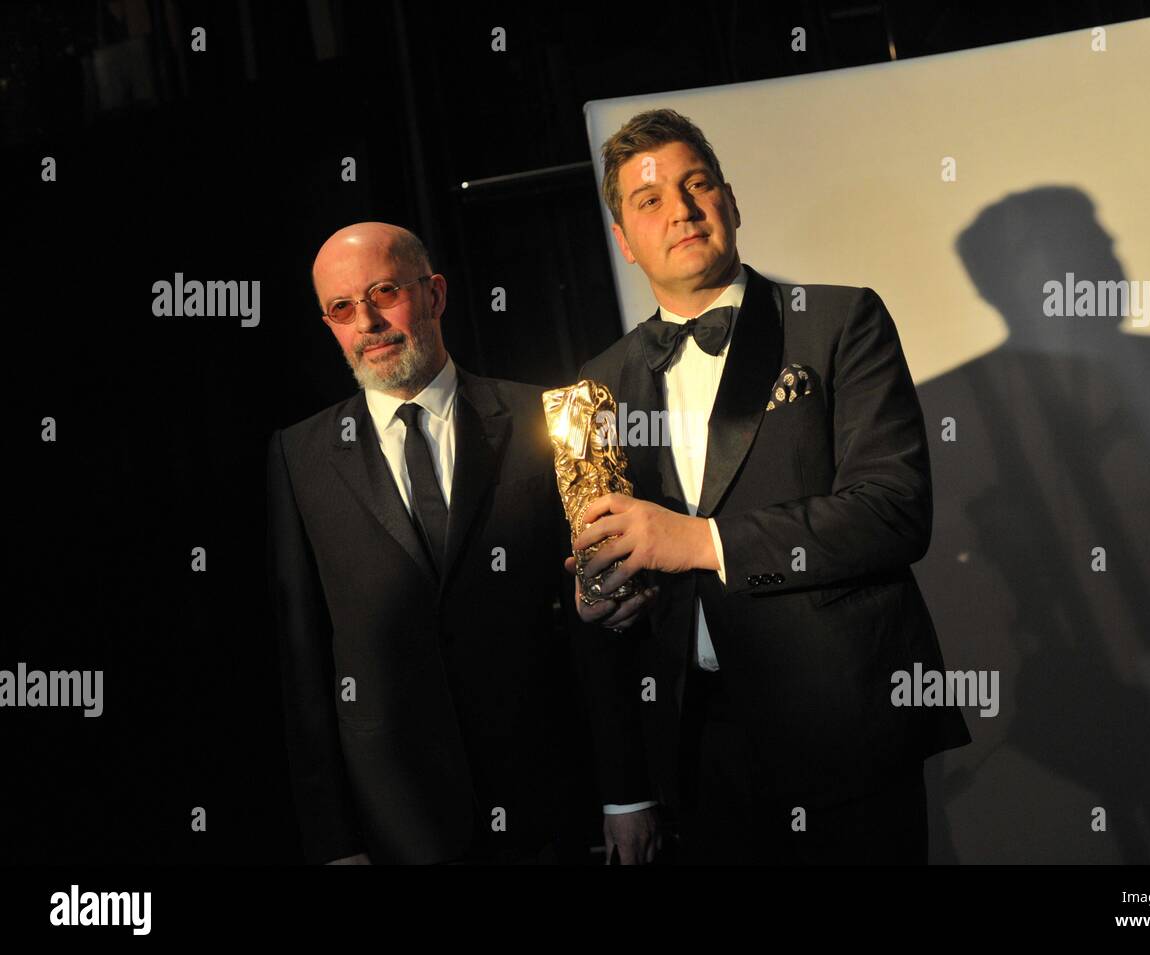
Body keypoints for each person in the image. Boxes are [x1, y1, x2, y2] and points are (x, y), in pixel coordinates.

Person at [572, 110, 972, 863]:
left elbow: (893, 511)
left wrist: (696, 541)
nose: (681, 209)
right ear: (623, 240)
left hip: (843, 729)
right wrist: (605, 600)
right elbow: (609, 600)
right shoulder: (600, 384)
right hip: (698, 750)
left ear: (730, 199)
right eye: (649, 199)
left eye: (696, 184)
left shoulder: (837, 320)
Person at [266, 222, 656, 864]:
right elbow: (302, 662)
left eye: (384, 291)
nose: (367, 321)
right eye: (342, 307)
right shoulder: (298, 456)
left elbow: (604, 620)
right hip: (398, 819)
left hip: (551, 796)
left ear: (436, 293)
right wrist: (334, 842)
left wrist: (626, 794)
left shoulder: (549, 419)